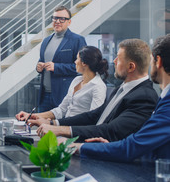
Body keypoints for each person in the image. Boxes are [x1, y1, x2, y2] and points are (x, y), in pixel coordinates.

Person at [28, 39, 158, 142]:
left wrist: (61, 130)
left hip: (100, 152)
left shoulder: (144, 96)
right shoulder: (121, 89)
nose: (114, 61)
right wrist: (52, 123)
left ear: (131, 67)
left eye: (118, 58)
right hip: (88, 140)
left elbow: (110, 131)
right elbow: (93, 115)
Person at [69, 34, 170, 162]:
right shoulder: (164, 97)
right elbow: (149, 146)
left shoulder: (162, 101)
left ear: (158, 61)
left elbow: (133, 146)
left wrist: (78, 147)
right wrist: (108, 146)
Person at [16, 46, 108, 121]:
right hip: (65, 128)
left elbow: (93, 119)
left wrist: (56, 124)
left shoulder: (98, 86)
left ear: (84, 63)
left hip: (77, 132)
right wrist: (31, 116)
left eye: (77, 59)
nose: (75, 62)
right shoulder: (77, 80)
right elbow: (61, 110)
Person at [36, 6, 87, 112]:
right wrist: (38, 67)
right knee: (43, 127)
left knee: (58, 127)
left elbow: (83, 67)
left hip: (63, 95)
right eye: (55, 18)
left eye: (62, 19)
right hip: (44, 95)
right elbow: (42, 59)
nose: (57, 21)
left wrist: (56, 67)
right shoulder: (46, 41)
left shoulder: (77, 40)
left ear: (69, 22)